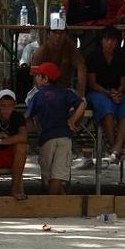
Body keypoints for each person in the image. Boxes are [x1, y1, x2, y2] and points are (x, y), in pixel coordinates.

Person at [25, 62, 86, 195]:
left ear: (45, 79)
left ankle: (51, 201)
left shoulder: (37, 96)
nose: (36, 78)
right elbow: (82, 104)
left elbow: (28, 117)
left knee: (49, 174)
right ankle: (61, 199)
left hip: (47, 138)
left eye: (38, 76)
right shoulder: (65, 93)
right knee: (57, 174)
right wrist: (73, 120)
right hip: (65, 136)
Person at [86, 26, 125, 162]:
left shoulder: (122, 57)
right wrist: (108, 93)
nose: (109, 43)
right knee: (106, 108)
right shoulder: (93, 56)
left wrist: (118, 92)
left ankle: (117, 146)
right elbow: (92, 83)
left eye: (113, 40)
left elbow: (124, 82)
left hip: (118, 91)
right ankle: (113, 146)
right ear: (101, 40)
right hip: (98, 92)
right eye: (106, 40)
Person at [30, 22, 86, 98]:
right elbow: (35, 79)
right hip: (43, 89)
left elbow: (81, 67)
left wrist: (81, 92)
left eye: (61, 33)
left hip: (64, 88)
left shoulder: (70, 47)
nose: (58, 36)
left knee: (81, 102)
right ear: (49, 34)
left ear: (66, 34)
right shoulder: (41, 52)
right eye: (55, 32)